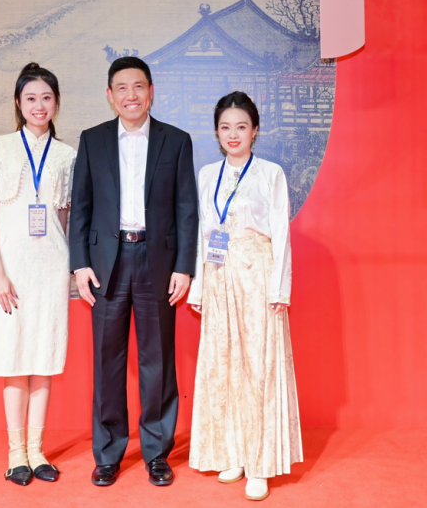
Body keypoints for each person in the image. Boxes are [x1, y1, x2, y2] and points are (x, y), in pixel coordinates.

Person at [68, 56, 199, 488]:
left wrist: (184, 267)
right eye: (122, 88)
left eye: (138, 86)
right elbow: (81, 207)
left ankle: (157, 453)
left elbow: (187, 209)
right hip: (106, 263)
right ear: (110, 95)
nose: (131, 95)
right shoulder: (93, 140)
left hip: (156, 261)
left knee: (157, 359)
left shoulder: (175, 141)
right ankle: (108, 454)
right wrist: (80, 264)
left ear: (151, 91)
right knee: (108, 360)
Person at [188, 91, 302, 501]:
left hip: (258, 274)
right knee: (224, 362)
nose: (233, 134)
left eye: (241, 126)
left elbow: (282, 232)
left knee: (258, 364)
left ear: (255, 130)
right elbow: (204, 231)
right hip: (219, 273)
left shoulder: (271, 173)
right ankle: (233, 452)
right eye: (225, 127)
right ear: (216, 133)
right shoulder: (207, 174)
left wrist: (280, 287)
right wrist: (199, 285)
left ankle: (259, 463)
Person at [0, 62, 77, 486]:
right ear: (18, 103)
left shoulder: (67, 156)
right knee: (14, 357)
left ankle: (37, 450)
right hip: (9, 269)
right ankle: (16, 453)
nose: (39, 105)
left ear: (56, 103)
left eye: (46, 98)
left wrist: (66, 268)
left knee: (43, 357)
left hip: (50, 269)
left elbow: (63, 219)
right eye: (31, 98)